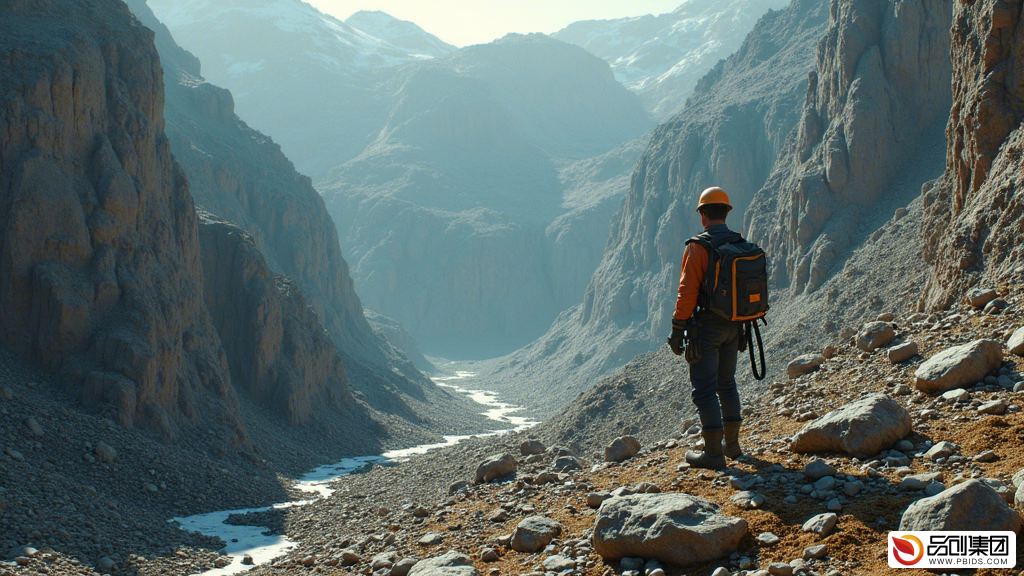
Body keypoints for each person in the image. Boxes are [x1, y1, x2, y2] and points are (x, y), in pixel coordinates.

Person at [667, 186, 743, 470]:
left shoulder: (698, 247)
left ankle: (713, 454)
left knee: (704, 389)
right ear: (726, 212)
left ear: (702, 215)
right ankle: (733, 447)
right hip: (736, 327)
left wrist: (677, 329)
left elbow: (687, 292)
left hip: (707, 329)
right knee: (727, 383)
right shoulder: (739, 242)